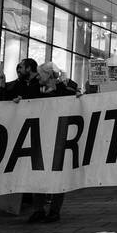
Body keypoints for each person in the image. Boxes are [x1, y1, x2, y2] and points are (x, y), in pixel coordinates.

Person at [27, 63, 79, 224]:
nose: (38, 76)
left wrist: (81, 101)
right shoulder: (33, 90)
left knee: (57, 175)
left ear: (49, 75)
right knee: (37, 174)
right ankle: (39, 209)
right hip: (39, 137)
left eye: (41, 74)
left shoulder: (66, 92)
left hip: (58, 139)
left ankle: (54, 210)